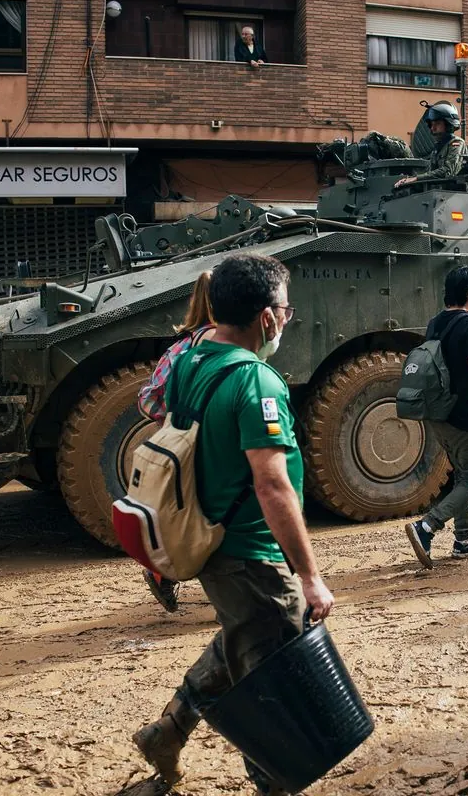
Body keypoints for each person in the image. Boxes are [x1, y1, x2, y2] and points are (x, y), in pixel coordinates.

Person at [131, 253, 334, 796]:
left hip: (213, 543)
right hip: (251, 552)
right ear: (268, 317)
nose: (288, 322)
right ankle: (274, 783)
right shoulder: (257, 383)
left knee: (246, 639)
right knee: (275, 681)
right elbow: (272, 486)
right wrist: (309, 576)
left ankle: (167, 732)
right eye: (287, 312)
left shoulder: (190, 361)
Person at [136, 270, 218, 613]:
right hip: (212, 447)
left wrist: (176, 416)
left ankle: (161, 570)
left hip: (180, 445)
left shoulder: (181, 344)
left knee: (191, 515)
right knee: (217, 517)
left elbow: (148, 400)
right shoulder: (222, 343)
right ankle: (233, 601)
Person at [403, 265, 468, 568]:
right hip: (463, 415)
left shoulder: (435, 323)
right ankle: (427, 527)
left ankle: (464, 540)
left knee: (463, 473)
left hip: (436, 412)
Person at [393, 103, 468, 189]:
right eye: (431, 125)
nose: (432, 128)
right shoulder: (438, 147)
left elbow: (448, 171)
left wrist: (417, 178)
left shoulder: (457, 143)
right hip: (440, 192)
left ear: (448, 124)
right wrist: (409, 179)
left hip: (457, 194)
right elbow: (430, 172)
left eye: (437, 124)